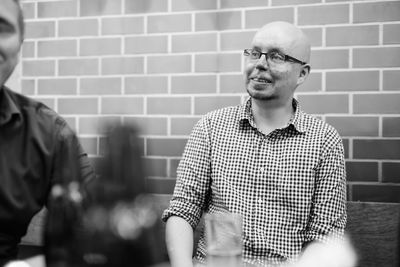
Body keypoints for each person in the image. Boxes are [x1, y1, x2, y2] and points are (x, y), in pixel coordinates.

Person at [162, 21, 347, 267]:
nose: (260, 63)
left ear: (302, 73)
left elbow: (325, 236)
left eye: (276, 56)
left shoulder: (323, 140)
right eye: (254, 53)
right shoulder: (211, 127)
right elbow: (183, 210)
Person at [0, 0, 95, 265]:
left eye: (2, 28)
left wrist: (28, 266)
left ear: (19, 45)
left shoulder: (49, 134)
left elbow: (92, 234)